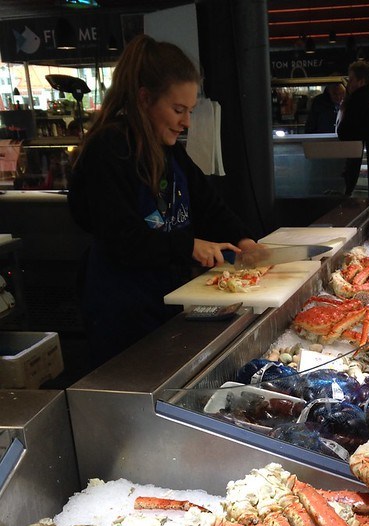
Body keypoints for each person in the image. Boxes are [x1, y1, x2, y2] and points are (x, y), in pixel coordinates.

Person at [68, 34, 258, 366]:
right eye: (178, 110)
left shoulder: (169, 151)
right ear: (144, 99)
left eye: (190, 111)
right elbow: (122, 238)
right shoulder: (109, 149)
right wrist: (188, 246)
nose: (186, 122)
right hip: (121, 311)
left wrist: (244, 239)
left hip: (165, 301)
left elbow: (208, 203)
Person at [337, 61, 369, 197]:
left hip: (356, 169)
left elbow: (343, 133)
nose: (348, 84)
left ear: (361, 82)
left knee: (354, 208)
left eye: (351, 80)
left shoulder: (354, 103)